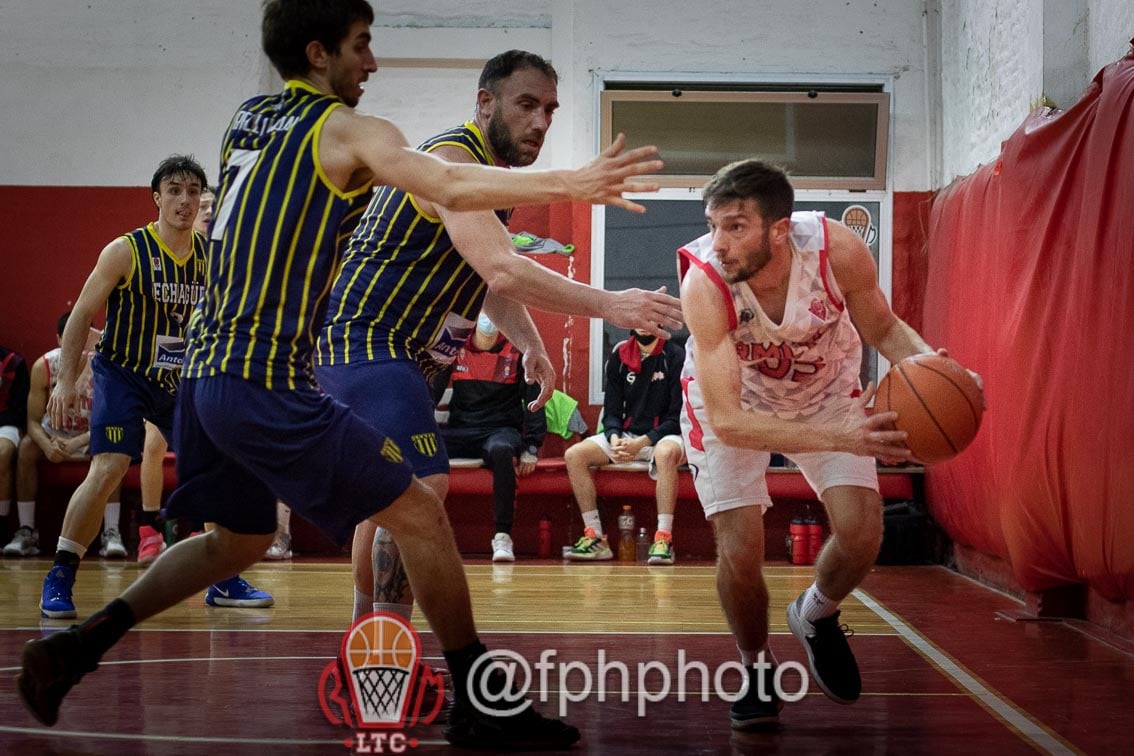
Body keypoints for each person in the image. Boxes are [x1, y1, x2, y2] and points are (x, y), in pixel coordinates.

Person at [17, 3, 674, 748]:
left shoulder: (251, 118)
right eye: (361, 46)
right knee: (422, 509)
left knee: (236, 542)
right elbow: (462, 205)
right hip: (287, 365)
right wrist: (582, 185)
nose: (372, 63)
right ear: (319, 52)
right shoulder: (359, 134)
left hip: (204, 377)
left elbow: (478, 258)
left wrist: (525, 337)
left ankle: (78, 646)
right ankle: (473, 699)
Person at [313, 48, 681, 635]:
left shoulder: (493, 178)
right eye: (527, 105)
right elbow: (505, 269)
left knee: (384, 494)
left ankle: (372, 640)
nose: (541, 121)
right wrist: (610, 304)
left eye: (551, 109)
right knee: (418, 484)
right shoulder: (451, 158)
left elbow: (486, 275)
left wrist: (531, 344)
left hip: (409, 353)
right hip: (363, 337)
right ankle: (384, 645)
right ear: (485, 103)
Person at [677, 159, 944, 729]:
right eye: (714, 225)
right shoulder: (704, 282)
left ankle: (816, 613)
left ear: (780, 228)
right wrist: (843, 437)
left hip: (824, 392)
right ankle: (755, 668)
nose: (719, 242)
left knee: (862, 531)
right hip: (733, 404)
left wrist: (935, 371)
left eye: (736, 227)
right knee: (741, 550)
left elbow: (885, 329)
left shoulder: (835, 250)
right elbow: (728, 422)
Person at [34, 155, 271, 618]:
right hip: (124, 373)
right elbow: (82, 314)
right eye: (174, 190)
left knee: (215, 469)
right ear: (156, 197)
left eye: (192, 192)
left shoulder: (212, 257)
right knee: (108, 468)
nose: (184, 200)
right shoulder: (125, 250)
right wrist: (65, 381)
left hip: (180, 379)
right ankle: (60, 575)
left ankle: (223, 578)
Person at [564, 327, 686, 564]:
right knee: (574, 455)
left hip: (666, 435)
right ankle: (595, 537)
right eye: (638, 318)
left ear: (659, 324)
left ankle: (663, 539)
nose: (643, 324)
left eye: (649, 318)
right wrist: (614, 438)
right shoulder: (620, 356)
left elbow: (677, 417)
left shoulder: (675, 356)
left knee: (665, 453)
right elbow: (611, 411)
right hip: (628, 436)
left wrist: (642, 441)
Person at [5, 315, 117, 557]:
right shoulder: (43, 366)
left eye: (84, 336)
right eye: (71, 338)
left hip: (90, 434)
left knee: (114, 448)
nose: (78, 343)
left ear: (93, 335)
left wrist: (77, 441)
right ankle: (26, 531)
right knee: (26, 448)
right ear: (58, 339)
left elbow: (111, 420)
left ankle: (111, 532)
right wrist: (46, 445)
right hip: (53, 433)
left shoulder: (104, 365)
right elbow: (32, 422)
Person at [439, 313, 547, 562]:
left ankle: (502, 537)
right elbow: (432, 390)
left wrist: (531, 446)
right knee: (422, 447)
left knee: (502, 451)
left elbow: (534, 401)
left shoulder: (518, 351)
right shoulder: (455, 347)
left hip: (499, 431)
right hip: (461, 430)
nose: (489, 318)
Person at [0, 344, 30, 545]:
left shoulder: (12, 362)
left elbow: (20, 411)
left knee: (2, 453)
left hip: (5, 423)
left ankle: (1, 524)